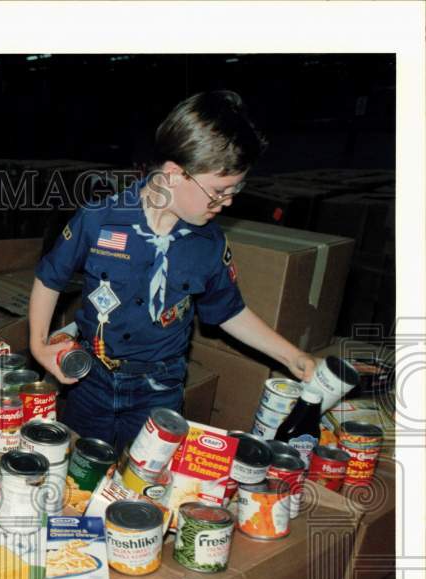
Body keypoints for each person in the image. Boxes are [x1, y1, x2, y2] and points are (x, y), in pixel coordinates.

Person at [29, 90, 316, 450]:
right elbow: (49, 278)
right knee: (80, 470)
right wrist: (39, 345)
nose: (226, 202)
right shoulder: (100, 220)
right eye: (218, 191)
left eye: (235, 190)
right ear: (173, 175)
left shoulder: (208, 246)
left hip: (158, 390)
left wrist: (294, 356)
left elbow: (229, 312)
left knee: (146, 483)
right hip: (91, 381)